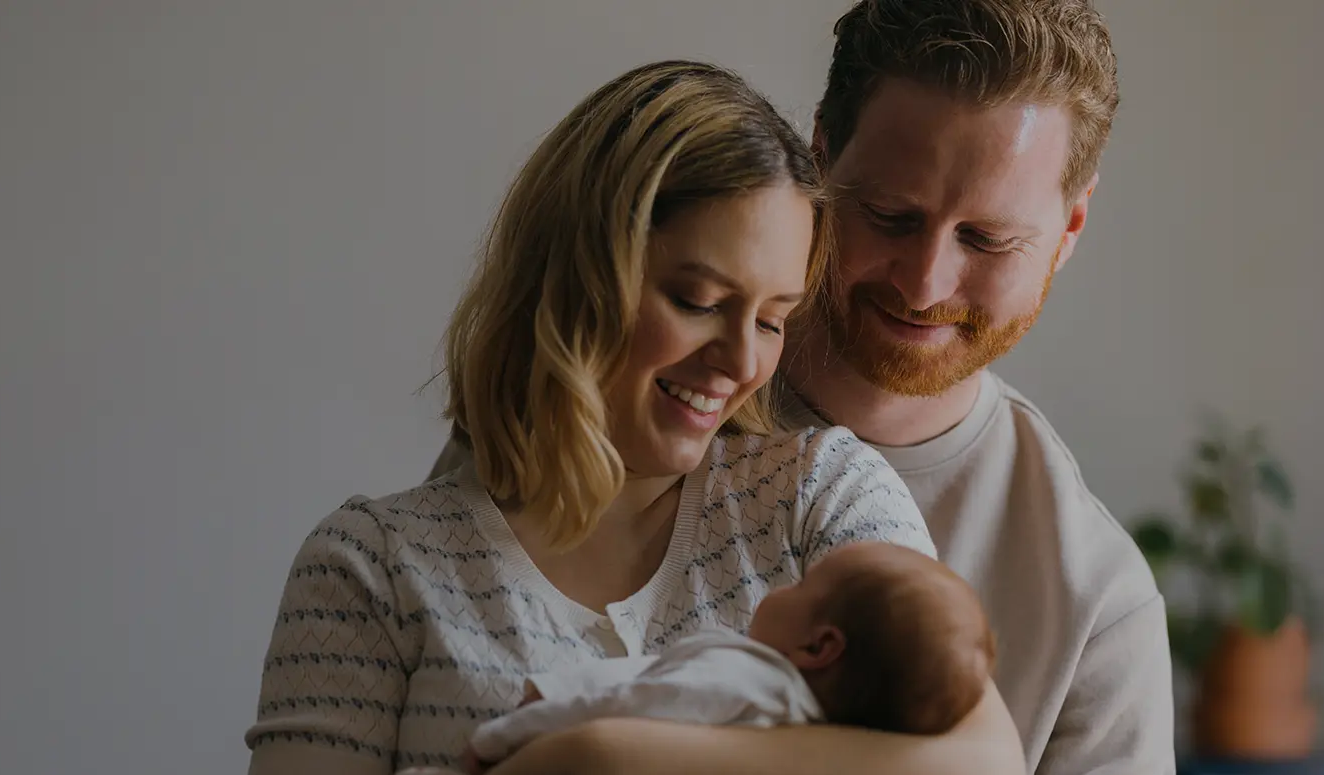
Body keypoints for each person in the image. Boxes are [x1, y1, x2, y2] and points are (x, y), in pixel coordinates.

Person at [428, 1, 1175, 773]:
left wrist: (597, 752)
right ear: (820, 155)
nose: (924, 283)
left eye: (987, 239)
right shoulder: (628, 391)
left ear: (1071, 226)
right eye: (888, 215)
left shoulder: (1097, 601)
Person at [244, 60, 1023, 775]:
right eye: (698, 300)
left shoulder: (823, 493)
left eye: (771, 319)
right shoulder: (371, 567)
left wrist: (592, 753)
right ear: (575, 276)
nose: (739, 361)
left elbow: (977, 763)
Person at [464, 542, 997, 767]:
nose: (784, 585)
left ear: (818, 646)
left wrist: (504, 736)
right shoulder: (804, 730)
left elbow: (631, 700)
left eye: (803, 585)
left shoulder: (744, 683)